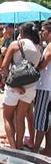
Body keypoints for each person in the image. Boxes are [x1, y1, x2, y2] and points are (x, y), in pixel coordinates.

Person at [1, 22, 42, 149]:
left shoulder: (16, 44)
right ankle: (19, 148)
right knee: (20, 119)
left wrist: (11, 83)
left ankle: (12, 148)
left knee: (7, 117)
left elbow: (4, 67)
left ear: (23, 33)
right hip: (30, 89)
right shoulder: (38, 47)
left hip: (14, 87)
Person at [34, 20, 51, 155]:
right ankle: (47, 149)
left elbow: (42, 65)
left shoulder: (50, 47)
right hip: (47, 87)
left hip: (45, 87)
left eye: (43, 31)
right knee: (48, 121)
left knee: (41, 119)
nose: (41, 33)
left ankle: (35, 149)